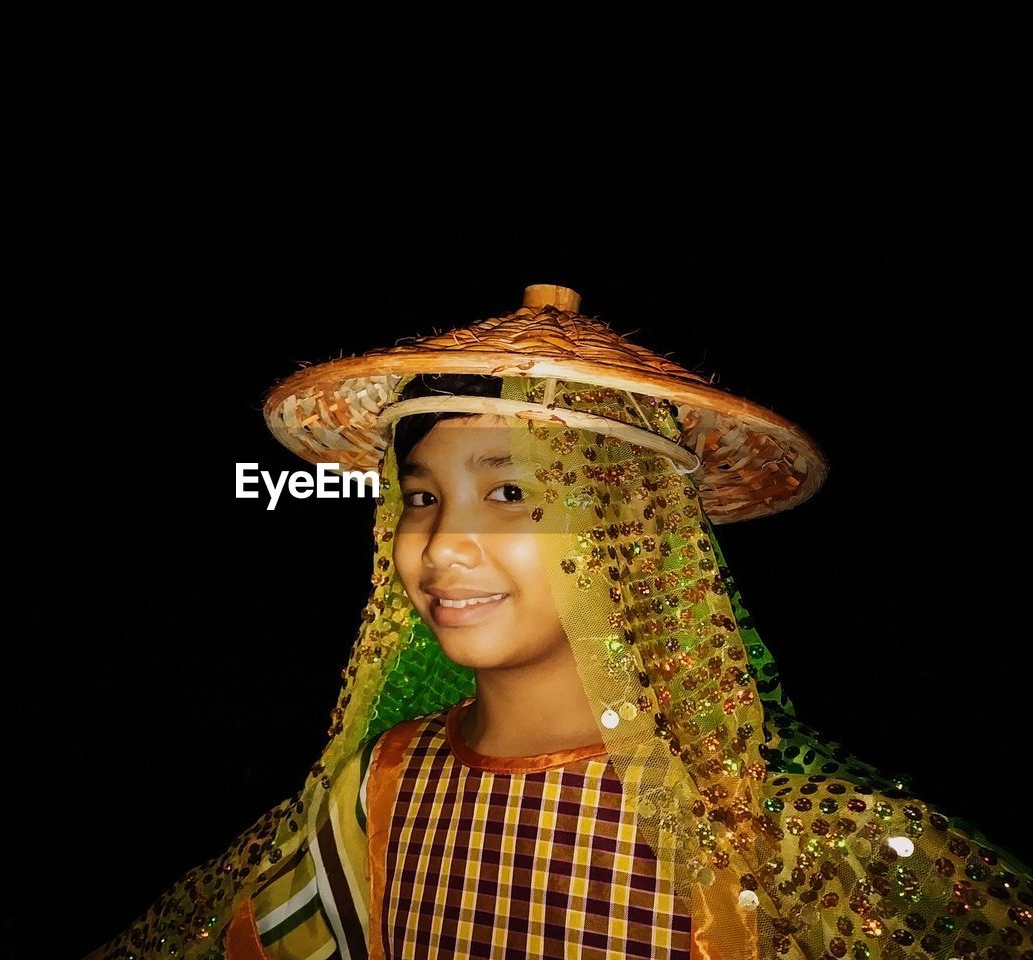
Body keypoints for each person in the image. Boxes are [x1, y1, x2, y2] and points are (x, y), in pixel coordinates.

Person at [83, 285, 1032, 960]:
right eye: (419, 497)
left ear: (633, 530)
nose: (443, 544)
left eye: (510, 493)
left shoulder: (793, 835)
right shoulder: (373, 791)